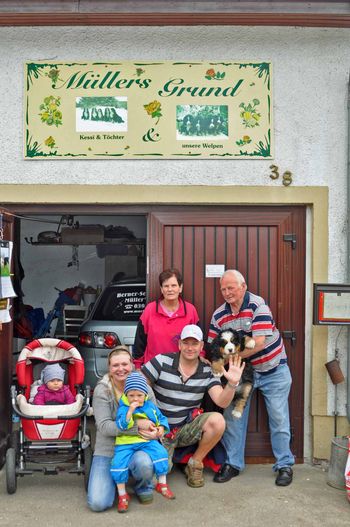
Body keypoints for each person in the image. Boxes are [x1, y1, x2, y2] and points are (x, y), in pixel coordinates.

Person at [208, 269, 295, 487]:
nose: (227, 293)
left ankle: (284, 465)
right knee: (233, 418)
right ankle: (232, 464)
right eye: (223, 289)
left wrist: (229, 357)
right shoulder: (219, 315)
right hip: (242, 374)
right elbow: (212, 346)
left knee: (279, 418)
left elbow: (259, 343)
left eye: (231, 288)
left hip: (272, 369)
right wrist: (217, 361)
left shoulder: (258, 306)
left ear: (243, 286)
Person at [141, 324, 245, 488]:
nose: (190, 348)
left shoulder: (207, 370)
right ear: (180, 344)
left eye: (194, 343)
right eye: (186, 343)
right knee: (154, 478)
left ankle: (195, 463)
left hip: (186, 429)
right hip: (159, 430)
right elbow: (138, 385)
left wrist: (232, 383)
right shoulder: (161, 361)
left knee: (218, 421)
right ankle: (163, 459)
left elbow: (221, 401)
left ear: (201, 346)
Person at [87, 346, 157, 512]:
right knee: (98, 503)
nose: (121, 369)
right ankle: (117, 479)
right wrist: (137, 426)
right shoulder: (102, 390)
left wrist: (158, 430)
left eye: (125, 364)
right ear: (109, 369)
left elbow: (155, 415)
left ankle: (142, 486)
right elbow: (104, 427)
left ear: (132, 365)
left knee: (144, 463)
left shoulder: (143, 386)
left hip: (137, 446)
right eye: (115, 365)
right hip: (109, 450)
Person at [110, 372, 175, 512]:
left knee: (161, 453)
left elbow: (161, 418)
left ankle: (162, 483)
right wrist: (130, 411)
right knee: (117, 464)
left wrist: (160, 429)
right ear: (126, 395)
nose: (135, 399)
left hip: (146, 440)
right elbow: (122, 425)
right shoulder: (123, 407)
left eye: (139, 395)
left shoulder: (150, 406)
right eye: (131, 395)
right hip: (126, 443)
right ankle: (122, 495)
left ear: (145, 395)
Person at [133, 268, 200, 369]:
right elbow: (140, 342)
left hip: (181, 369)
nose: (170, 289)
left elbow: (198, 340)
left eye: (173, 285)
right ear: (161, 289)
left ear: (180, 288)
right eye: (166, 286)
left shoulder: (190, 310)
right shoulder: (150, 310)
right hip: (152, 368)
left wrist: (200, 358)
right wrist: (138, 367)